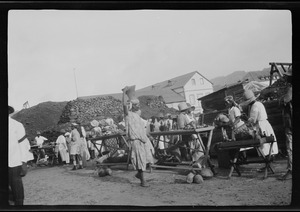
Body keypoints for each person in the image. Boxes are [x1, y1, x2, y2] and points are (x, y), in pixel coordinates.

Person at [122, 86, 154, 187]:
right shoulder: (128, 115)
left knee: (145, 159)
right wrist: (123, 93)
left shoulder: (137, 116)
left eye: (138, 104)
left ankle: (139, 175)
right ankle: (143, 181)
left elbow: (141, 129)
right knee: (139, 159)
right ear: (131, 106)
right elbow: (123, 105)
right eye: (136, 105)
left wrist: (147, 136)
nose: (138, 106)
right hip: (135, 141)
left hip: (143, 140)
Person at [241, 89, 279, 160]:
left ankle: (267, 161)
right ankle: (269, 160)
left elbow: (252, 120)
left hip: (261, 126)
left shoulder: (254, 106)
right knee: (268, 144)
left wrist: (245, 118)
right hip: (265, 124)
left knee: (263, 145)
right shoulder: (259, 103)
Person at [9, 105, 34, 205]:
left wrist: (24, 162)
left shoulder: (16, 125)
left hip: (14, 162)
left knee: (16, 189)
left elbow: (23, 145)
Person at [278, 66, 292, 180]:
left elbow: (284, 101)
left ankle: (291, 170)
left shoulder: (291, 89)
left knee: (290, 147)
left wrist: (282, 98)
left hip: (290, 122)